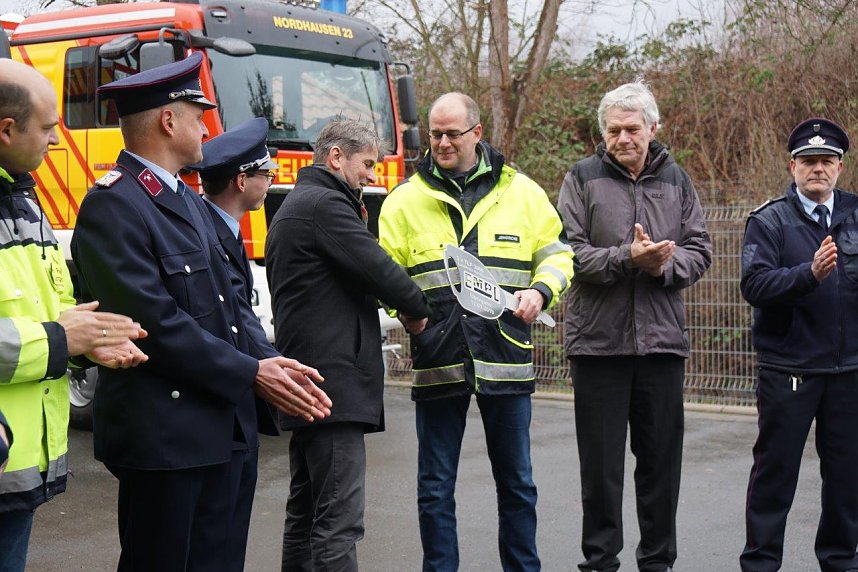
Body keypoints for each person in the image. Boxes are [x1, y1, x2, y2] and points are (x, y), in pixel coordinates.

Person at [70, 53, 331, 571]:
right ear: (169, 121)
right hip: (165, 437)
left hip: (220, 427)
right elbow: (155, 323)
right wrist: (251, 372)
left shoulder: (186, 201)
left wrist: (267, 359)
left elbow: (230, 301)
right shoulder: (114, 205)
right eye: (198, 115)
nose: (206, 127)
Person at [377, 92, 574, 571]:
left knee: (517, 484)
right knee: (435, 487)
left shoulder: (522, 192)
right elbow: (380, 271)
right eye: (435, 134)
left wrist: (542, 291)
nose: (442, 143)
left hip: (504, 357)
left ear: (477, 133)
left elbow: (557, 252)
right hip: (438, 356)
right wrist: (405, 312)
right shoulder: (404, 200)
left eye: (452, 134)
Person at [556, 80, 712, 572]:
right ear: (603, 133)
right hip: (598, 347)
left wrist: (661, 265)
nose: (623, 138)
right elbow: (569, 252)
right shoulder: (580, 178)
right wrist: (628, 258)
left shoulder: (678, 180)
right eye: (613, 129)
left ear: (653, 128)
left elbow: (701, 250)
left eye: (632, 128)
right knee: (601, 472)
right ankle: (600, 562)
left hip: (661, 346)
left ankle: (658, 562)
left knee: (661, 466)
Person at [0, 59, 148, 572]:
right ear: (6, 129)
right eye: (46, 128)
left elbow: (38, 310)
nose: (56, 142)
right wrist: (62, 339)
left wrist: (87, 342)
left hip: (16, 473)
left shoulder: (21, 196)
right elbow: (45, 331)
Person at [265, 118, 431, 571]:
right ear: (336, 157)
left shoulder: (300, 204)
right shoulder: (324, 206)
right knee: (338, 522)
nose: (373, 175)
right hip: (332, 390)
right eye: (368, 164)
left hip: (311, 385)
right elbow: (379, 268)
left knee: (305, 513)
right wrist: (417, 309)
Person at [740, 118, 858, 572]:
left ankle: (840, 561)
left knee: (847, 479)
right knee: (775, 475)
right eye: (808, 161)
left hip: (848, 371)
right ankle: (761, 564)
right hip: (788, 368)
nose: (817, 169)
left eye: (826, 161)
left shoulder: (854, 213)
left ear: (840, 168)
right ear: (793, 166)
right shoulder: (769, 221)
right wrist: (808, 274)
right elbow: (755, 284)